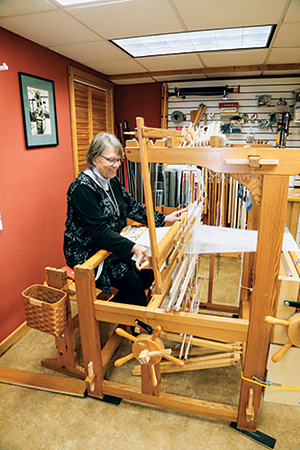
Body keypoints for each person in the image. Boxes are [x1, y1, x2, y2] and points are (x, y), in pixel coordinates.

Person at [63, 132, 185, 307]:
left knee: (148, 273)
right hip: (88, 252)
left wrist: (164, 218)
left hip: (112, 245)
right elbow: (99, 232)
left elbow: (130, 206)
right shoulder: (82, 188)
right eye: (111, 160)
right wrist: (133, 247)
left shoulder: (111, 180)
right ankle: (136, 326)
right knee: (133, 284)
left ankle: (122, 309)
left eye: (119, 160)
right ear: (95, 158)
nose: (116, 165)